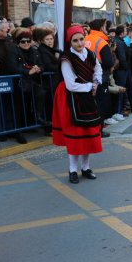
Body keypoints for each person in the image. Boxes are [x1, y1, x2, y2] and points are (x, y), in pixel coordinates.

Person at [52, 25, 103, 184]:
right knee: (75, 135)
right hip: (71, 98)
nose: (80, 43)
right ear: (70, 42)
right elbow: (70, 84)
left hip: (87, 96)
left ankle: (86, 167)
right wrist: (90, 87)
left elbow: (98, 70)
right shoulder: (66, 59)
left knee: (88, 133)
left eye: (81, 39)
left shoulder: (90, 54)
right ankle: (72, 170)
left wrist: (96, 82)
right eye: (75, 41)